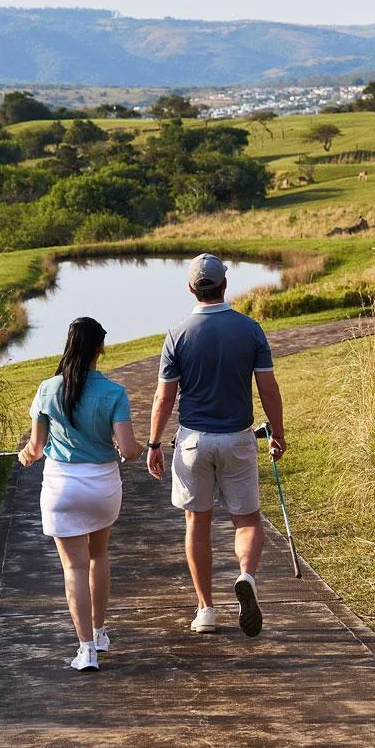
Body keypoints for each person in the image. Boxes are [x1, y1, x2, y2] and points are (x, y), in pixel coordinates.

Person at [146, 253, 285, 637]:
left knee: (197, 523)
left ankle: (205, 610)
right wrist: (277, 432)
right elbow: (268, 388)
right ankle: (246, 576)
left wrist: (154, 443)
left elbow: (163, 397)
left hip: (193, 441)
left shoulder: (177, 334)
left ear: (191, 288)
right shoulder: (249, 329)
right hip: (237, 438)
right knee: (247, 520)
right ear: (224, 284)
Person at [18, 316, 142, 672]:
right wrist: (136, 449)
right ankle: (100, 633)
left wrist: (26, 455)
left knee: (73, 566)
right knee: (98, 556)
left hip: (61, 487)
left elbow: (36, 447)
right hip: (102, 485)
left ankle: (86, 649)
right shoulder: (114, 393)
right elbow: (129, 449)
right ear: (100, 347)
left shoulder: (47, 389)